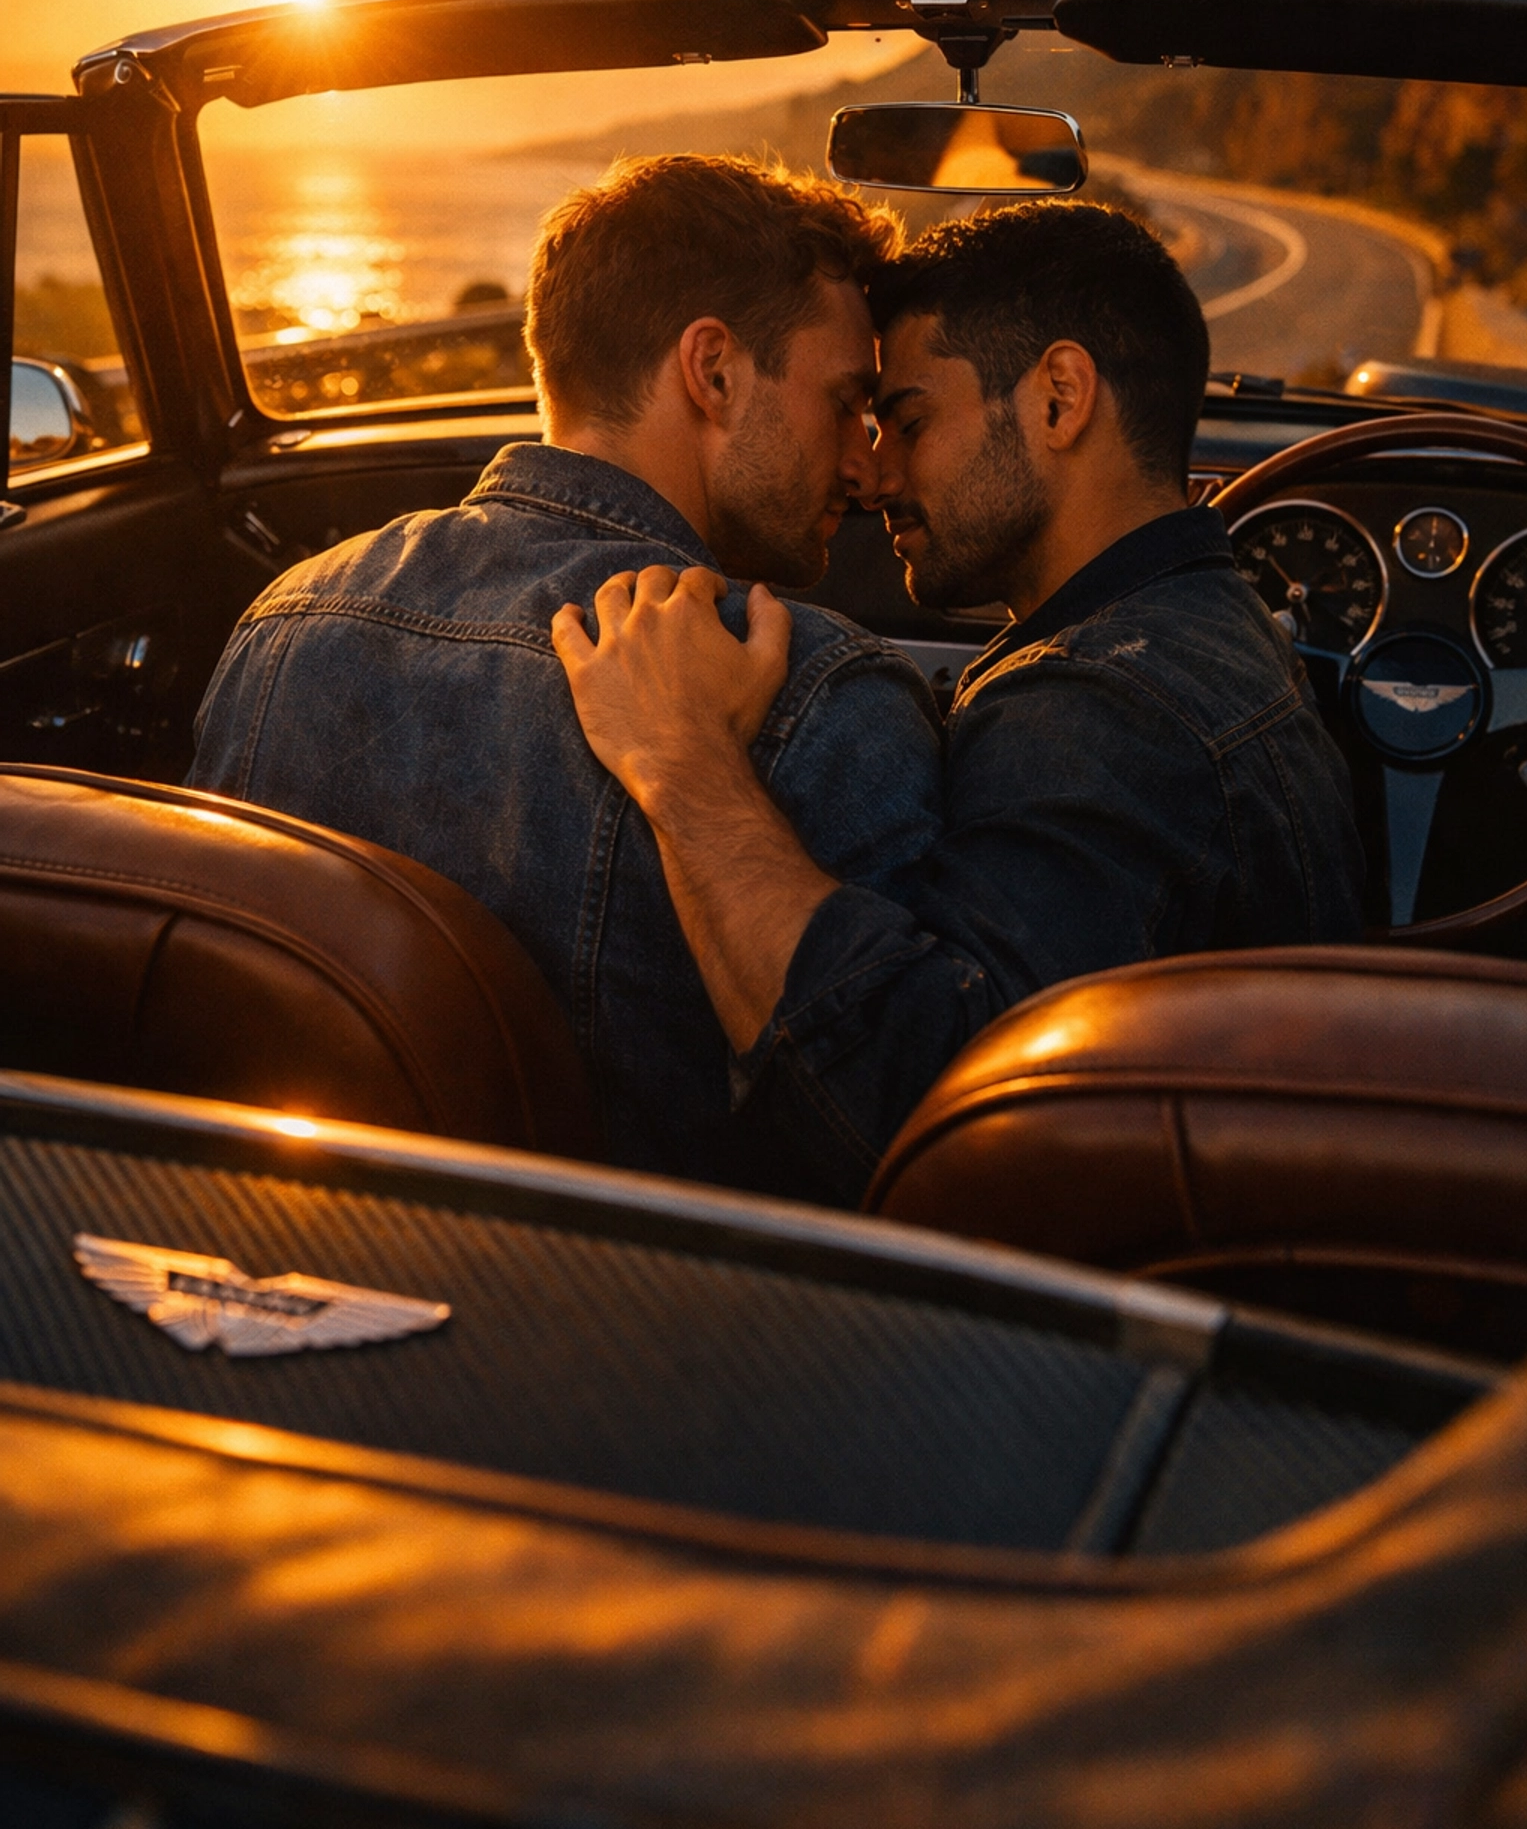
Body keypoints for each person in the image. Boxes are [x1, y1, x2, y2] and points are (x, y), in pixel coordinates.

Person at [555, 202, 1366, 1205]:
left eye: (908, 421)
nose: (872, 472)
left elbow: (919, 1120)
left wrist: (682, 763)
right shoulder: (1203, 635)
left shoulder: (1103, 710)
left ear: (1060, 399)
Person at [188, 155, 943, 1189]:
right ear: (713, 371)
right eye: (845, 400)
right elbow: (902, 1155)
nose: (863, 465)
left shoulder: (283, 621)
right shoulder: (812, 690)